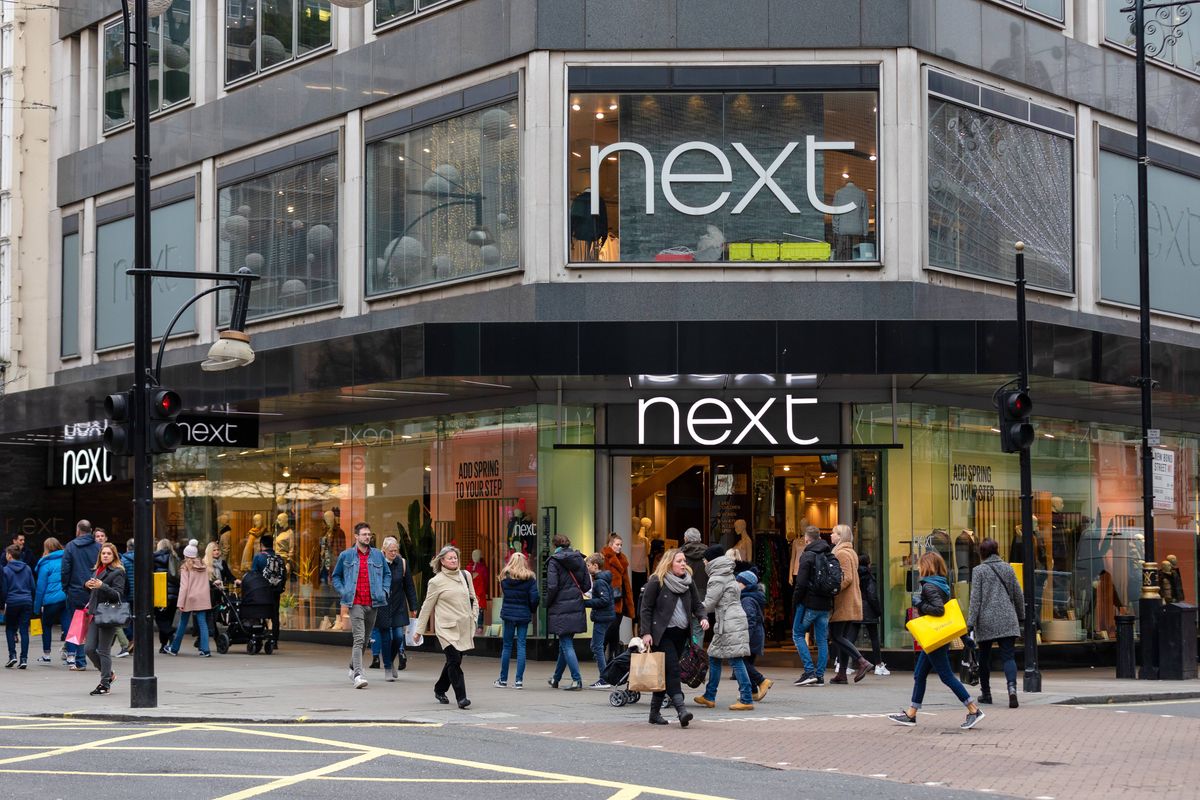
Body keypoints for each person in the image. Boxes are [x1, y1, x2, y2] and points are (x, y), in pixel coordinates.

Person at [889, 552, 985, 730]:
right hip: (935, 637)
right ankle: (911, 713)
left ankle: (973, 709)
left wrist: (919, 604)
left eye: (920, 564)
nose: (917, 567)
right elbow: (950, 613)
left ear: (927, 566)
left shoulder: (929, 587)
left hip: (935, 638)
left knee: (946, 676)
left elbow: (939, 611)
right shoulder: (942, 584)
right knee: (919, 675)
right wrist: (964, 637)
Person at [639, 548, 708, 727]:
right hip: (662, 635)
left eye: (684, 560)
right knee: (673, 671)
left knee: (664, 673)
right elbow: (646, 608)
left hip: (681, 634)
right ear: (670, 563)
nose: (683, 564)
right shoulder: (657, 580)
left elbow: (697, 604)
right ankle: (681, 710)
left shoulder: (688, 582)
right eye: (679, 561)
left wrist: (703, 618)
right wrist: (645, 632)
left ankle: (654, 714)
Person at [414, 544, 478, 709]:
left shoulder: (465, 575)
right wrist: (419, 631)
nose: (453, 560)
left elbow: (474, 599)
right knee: (454, 659)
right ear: (442, 561)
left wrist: (474, 618)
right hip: (446, 628)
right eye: (450, 558)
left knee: (453, 662)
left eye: (455, 557)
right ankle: (462, 698)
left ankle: (439, 689)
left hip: (464, 627)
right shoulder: (436, 582)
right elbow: (427, 606)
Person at [693, 551, 754, 711]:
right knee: (714, 656)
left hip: (728, 622)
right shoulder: (728, 573)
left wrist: (693, 610)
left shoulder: (717, 578)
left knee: (735, 659)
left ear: (710, 561)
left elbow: (709, 603)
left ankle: (746, 698)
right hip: (730, 620)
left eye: (705, 560)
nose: (704, 563)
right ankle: (709, 696)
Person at [967, 537, 1024, 708]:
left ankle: (986, 694)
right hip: (1007, 618)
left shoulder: (979, 571)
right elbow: (1018, 594)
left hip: (986, 620)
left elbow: (975, 600)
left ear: (982, 552)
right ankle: (1012, 690)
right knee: (1008, 656)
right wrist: (1020, 616)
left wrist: (970, 622)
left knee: (984, 658)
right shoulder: (1007, 568)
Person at [331, 522, 388, 689]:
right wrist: (344, 591)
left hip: (373, 601)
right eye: (364, 534)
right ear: (356, 536)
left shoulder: (378, 555)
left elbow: (387, 575)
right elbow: (336, 576)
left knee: (364, 640)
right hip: (355, 602)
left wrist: (384, 591)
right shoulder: (346, 555)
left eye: (369, 534)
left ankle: (351, 666)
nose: (367, 537)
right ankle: (358, 674)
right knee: (359, 638)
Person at [828, 525, 873, 684]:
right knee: (841, 637)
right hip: (850, 600)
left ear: (840, 536)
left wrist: (832, 590)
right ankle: (842, 673)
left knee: (836, 635)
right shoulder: (850, 552)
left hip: (844, 601)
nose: (831, 535)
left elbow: (846, 578)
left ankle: (862, 661)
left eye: (834, 533)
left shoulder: (841, 553)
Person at [545, 534, 590, 691]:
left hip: (560, 607)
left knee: (566, 644)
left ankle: (577, 680)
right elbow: (586, 585)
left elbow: (552, 587)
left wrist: (547, 602)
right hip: (576, 605)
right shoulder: (579, 559)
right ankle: (556, 679)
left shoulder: (554, 561)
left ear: (554, 545)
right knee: (565, 644)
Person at [792, 525, 833, 686]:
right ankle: (820, 676)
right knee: (822, 640)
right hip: (825, 604)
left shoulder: (807, 555)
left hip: (808, 603)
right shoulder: (829, 554)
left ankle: (809, 671)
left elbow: (801, 583)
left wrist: (796, 601)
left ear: (807, 538)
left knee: (798, 634)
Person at [84, 542, 126, 696]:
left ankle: (104, 684)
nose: (105, 556)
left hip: (108, 615)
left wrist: (102, 586)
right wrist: (87, 585)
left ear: (114, 555)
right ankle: (109, 673)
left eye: (109, 553)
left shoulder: (118, 572)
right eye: (103, 553)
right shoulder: (97, 570)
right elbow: (94, 592)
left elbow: (117, 595)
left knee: (103, 650)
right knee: (88, 649)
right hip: (96, 613)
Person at [375, 536, 418, 682]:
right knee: (386, 637)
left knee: (399, 637)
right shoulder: (378, 563)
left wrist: (413, 606)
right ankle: (388, 667)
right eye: (391, 551)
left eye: (395, 550)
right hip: (382, 605)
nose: (394, 553)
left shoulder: (402, 563)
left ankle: (389, 660)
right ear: (384, 550)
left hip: (399, 605)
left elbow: (409, 586)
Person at [60, 520, 100, 670]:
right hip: (94, 591)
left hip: (75, 591)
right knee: (93, 625)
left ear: (78, 530)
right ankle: (95, 657)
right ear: (90, 531)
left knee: (75, 626)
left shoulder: (71, 546)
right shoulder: (98, 547)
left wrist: (66, 587)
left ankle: (80, 660)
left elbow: (65, 570)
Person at [495, 551, 539, 689]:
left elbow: (506, 594)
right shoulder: (530, 578)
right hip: (523, 614)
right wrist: (531, 609)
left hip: (508, 614)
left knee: (507, 646)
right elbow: (535, 598)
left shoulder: (504, 577)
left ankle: (503, 680)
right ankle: (519, 681)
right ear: (524, 562)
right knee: (521, 646)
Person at [167, 541, 212, 657]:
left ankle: (174, 648)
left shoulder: (185, 567)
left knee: (183, 623)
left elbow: (184, 586)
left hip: (189, 597)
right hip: (202, 597)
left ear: (185, 555)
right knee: (202, 623)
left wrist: (180, 602)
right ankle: (205, 649)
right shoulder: (203, 565)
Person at [737, 570, 772, 701]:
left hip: (751, 637)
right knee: (747, 663)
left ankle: (762, 681)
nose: (736, 584)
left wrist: (745, 638)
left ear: (746, 584)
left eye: (739, 582)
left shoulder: (747, 599)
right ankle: (752, 691)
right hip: (756, 635)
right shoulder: (753, 596)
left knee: (741, 663)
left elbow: (750, 620)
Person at [583, 552, 616, 689]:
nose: (587, 568)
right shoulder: (601, 579)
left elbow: (604, 600)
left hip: (602, 617)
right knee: (596, 646)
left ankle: (604, 678)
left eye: (588, 565)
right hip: (605, 616)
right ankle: (606, 675)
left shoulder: (599, 581)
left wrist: (586, 603)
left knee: (597, 646)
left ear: (595, 566)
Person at [33, 537, 67, 665]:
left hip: (51, 600)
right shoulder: (66, 559)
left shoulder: (45, 563)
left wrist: (36, 608)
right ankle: (71, 656)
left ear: (46, 548)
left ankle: (46, 655)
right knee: (68, 626)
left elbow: (40, 588)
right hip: (66, 597)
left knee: (46, 626)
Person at [600, 533, 633, 662]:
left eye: (621, 545)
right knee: (610, 630)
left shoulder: (622, 559)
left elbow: (625, 582)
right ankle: (601, 654)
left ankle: (611, 660)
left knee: (615, 630)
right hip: (609, 600)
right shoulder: (604, 558)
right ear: (610, 544)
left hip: (621, 600)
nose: (619, 547)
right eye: (617, 544)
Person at [2, 544, 35, 668]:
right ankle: (24, 659)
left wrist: (3, 603)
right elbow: (32, 587)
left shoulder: (5, 570)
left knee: (10, 629)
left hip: (12, 602)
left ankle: (12, 656)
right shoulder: (27, 569)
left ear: (9, 555)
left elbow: (4, 590)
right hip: (26, 601)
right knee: (24, 630)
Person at [250, 534, 285, 648]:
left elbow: (253, 574)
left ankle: (257, 636)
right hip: (275, 592)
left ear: (261, 545)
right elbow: (284, 575)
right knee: (275, 616)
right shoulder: (279, 558)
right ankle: (274, 641)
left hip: (262, 591)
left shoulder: (258, 557)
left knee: (257, 613)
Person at [856, 552, 887, 675]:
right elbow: (872, 595)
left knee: (850, 637)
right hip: (869, 609)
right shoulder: (869, 576)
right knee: (874, 637)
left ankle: (844, 665)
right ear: (868, 563)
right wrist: (878, 610)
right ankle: (879, 665)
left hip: (857, 607)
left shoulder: (855, 575)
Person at [119, 539, 136, 657]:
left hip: (127, 593)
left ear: (127, 547)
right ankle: (135, 639)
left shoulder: (123, 560)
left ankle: (131, 639)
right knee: (137, 618)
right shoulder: (143, 559)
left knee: (125, 618)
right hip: (140, 594)